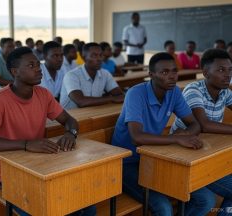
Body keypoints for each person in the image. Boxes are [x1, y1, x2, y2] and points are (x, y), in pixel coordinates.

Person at [0, 47, 96, 216]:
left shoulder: (43, 94)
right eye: (31, 65)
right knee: (47, 209)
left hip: (41, 165)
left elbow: (70, 121)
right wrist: (26, 144)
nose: (39, 69)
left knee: (87, 203)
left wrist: (70, 133)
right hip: (10, 173)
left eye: (38, 64)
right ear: (15, 72)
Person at [112, 52, 216, 216]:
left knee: (207, 199)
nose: (172, 76)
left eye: (174, 71)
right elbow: (137, 137)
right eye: (164, 72)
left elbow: (195, 123)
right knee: (164, 208)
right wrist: (177, 138)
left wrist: (187, 134)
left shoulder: (174, 92)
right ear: (151, 75)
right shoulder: (135, 94)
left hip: (155, 158)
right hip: (127, 163)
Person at [171, 49, 232, 215]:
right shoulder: (194, 90)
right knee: (207, 200)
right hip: (182, 157)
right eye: (221, 70)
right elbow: (204, 125)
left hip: (207, 154)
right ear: (205, 73)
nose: (227, 75)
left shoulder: (225, 92)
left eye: (230, 70)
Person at [60, 42, 124, 110]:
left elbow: (119, 95)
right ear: (83, 58)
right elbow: (81, 102)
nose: (99, 59)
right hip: (70, 117)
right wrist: (111, 98)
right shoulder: (71, 75)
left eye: (101, 55)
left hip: (92, 112)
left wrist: (111, 98)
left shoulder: (105, 73)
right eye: (94, 55)